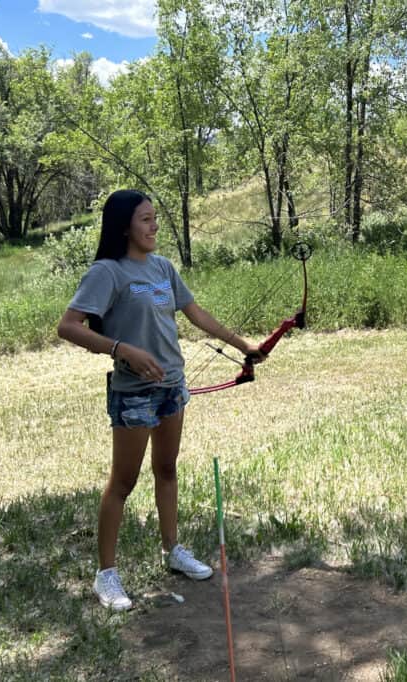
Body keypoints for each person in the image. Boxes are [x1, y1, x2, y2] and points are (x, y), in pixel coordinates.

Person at [57, 189, 263, 611]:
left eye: (154, 218)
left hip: (172, 386)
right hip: (133, 393)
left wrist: (244, 346)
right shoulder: (107, 272)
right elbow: (69, 326)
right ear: (124, 226)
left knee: (166, 469)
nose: (154, 227)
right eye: (145, 219)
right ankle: (107, 575)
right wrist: (121, 349)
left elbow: (196, 313)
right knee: (123, 482)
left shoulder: (163, 268)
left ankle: (173, 551)